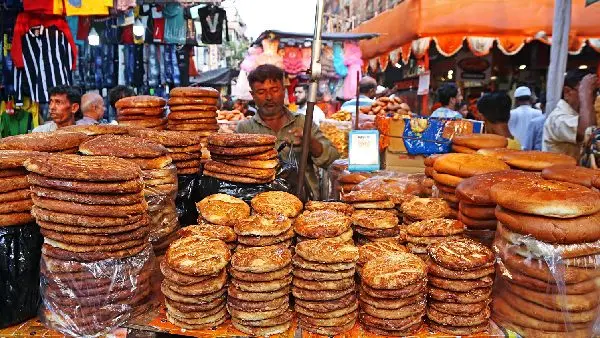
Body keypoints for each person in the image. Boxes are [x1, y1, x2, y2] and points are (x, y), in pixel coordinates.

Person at [236, 64, 339, 200]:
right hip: (260, 203)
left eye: (274, 90)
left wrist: (310, 142)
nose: (269, 97)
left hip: (303, 201)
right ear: (252, 95)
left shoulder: (303, 122)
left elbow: (332, 159)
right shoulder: (245, 129)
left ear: (284, 90)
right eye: (261, 92)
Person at [543, 70, 598, 158]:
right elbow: (588, 132)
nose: (594, 98)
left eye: (595, 93)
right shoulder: (557, 118)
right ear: (567, 92)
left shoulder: (580, 114)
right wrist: (585, 94)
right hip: (559, 171)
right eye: (591, 93)